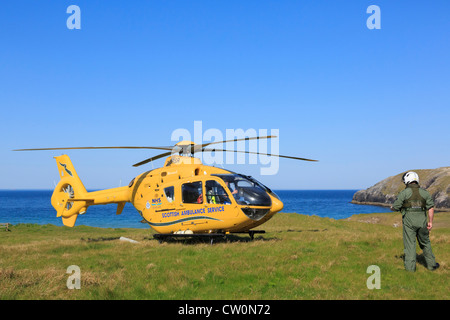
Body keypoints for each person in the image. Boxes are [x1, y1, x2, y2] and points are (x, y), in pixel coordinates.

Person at [390, 171, 440, 272]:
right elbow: (431, 208)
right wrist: (430, 222)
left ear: (407, 181)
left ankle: (410, 270)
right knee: (425, 243)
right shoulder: (425, 193)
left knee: (410, 245)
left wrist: (394, 208)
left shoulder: (404, 193)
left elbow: (395, 207)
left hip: (409, 223)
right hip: (422, 222)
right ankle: (432, 266)